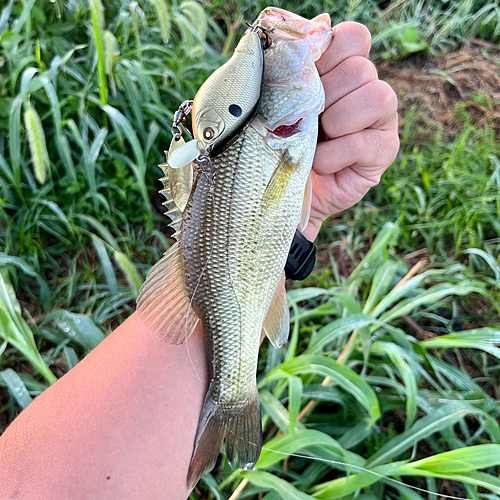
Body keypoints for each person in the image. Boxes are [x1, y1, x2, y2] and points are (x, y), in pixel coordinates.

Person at [0, 21, 399, 500]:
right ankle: (233, 395)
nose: (273, 41)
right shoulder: (273, 128)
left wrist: (299, 225)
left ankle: (231, 396)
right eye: (268, 48)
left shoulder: (271, 131)